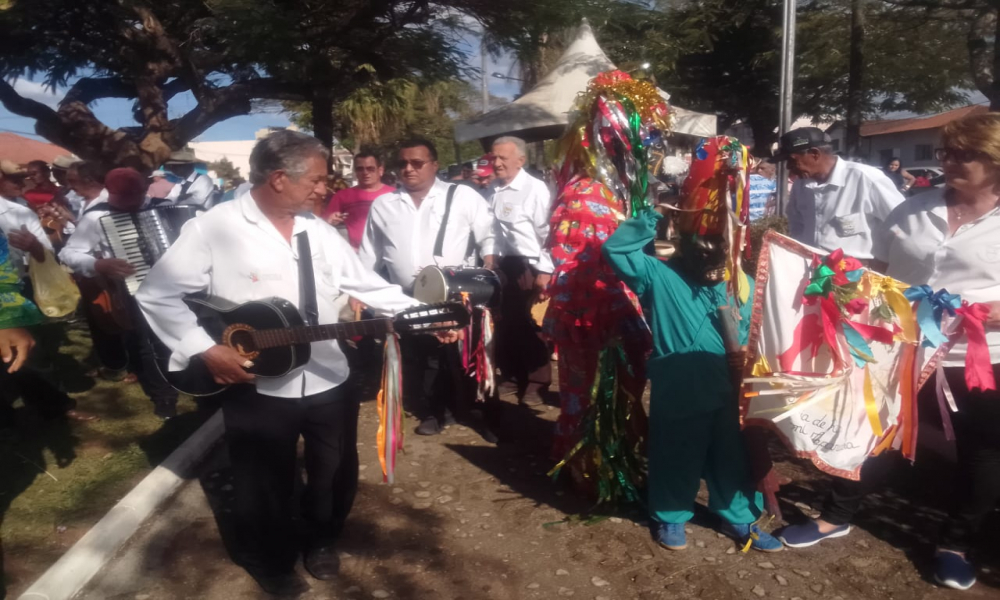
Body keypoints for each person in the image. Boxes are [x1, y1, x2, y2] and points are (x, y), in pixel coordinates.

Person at [137, 130, 423, 597]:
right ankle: (268, 559)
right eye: (315, 180)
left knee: (334, 468)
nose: (323, 189)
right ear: (277, 179)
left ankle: (323, 539)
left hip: (329, 373)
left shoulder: (319, 231)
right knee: (261, 480)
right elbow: (157, 294)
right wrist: (206, 349)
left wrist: (423, 313)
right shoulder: (215, 227)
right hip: (257, 383)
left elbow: (368, 285)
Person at [778, 112, 1000, 591]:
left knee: (983, 454)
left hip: (980, 357)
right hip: (901, 349)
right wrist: (842, 284)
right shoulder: (913, 209)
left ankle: (955, 543)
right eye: (947, 153)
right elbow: (879, 267)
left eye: (966, 155)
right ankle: (836, 516)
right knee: (870, 431)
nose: (951, 163)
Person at [543, 71, 654, 493]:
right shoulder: (585, 191)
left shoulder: (623, 190)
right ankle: (586, 468)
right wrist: (590, 320)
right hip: (587, 316)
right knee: (586, 392)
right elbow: (574, 263)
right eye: (624, 137)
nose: (636, 148)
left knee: (624, 391)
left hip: (619, 309)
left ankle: (617, 460)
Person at [360, 138, 496, 436]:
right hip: (407, 297)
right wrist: (360, 291)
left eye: (417, 163)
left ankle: (477, 411)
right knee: (421, 354)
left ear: (434, 165)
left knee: (464, 354)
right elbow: (370, 252)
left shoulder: (461, 195)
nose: (409, 169)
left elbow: (488, 232)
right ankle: (435, 411)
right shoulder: (384, 205)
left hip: (457, 294)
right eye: (403, 163)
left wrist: (489, 261)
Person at [488, 136, 553, 406]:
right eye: (494, 158)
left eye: (503, 158)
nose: (497, 162)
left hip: (529, 264)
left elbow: (546, 232)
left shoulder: (535, 189)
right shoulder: (492, 189)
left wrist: (545, 269)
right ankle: (513, 375)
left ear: (520, 160)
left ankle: (538, 382)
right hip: (502, 265)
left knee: (531, 325)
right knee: (506, 323)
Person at [779, 127, 905, 262]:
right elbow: (796, 225)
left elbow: (903, 225)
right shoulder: (801, 185)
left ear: (815, 154)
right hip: (812, 268)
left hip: (858, 271)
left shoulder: (866, 179)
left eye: (792, 160)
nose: (788, 167)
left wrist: (886, 263)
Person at [322, 149, 394, 250]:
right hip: (355, 253)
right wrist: (331, 220)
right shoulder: (342, 196)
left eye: (370, 169)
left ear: (380, 171)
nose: (365, 173)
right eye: (360, 169)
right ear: (355, 172)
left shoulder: (394, 195)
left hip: (387, 251)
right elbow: (325, 223)